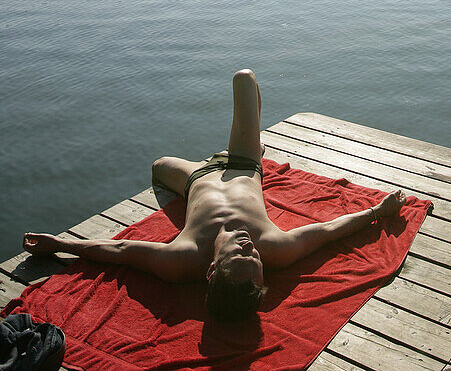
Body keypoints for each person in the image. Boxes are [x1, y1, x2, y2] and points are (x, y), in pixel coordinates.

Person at [24, 69, 406, 321]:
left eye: (241, 256)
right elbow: (329, 231)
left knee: (158, 165)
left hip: (196, 180)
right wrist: (378, 210)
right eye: (254, 257)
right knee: (244, 77)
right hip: (243, 163)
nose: (249, 247)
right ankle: (254, 134)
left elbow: (121, 252)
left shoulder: (182, 259)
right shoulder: (276, 248)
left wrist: (59, 243)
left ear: (211, 269)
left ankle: (227, 148)